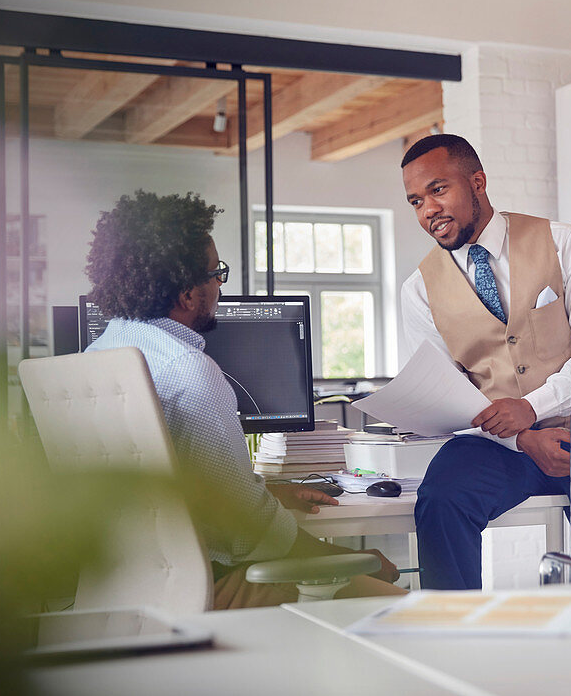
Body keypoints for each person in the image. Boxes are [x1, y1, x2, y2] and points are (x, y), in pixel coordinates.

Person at [84, 190, 402, 607]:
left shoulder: (101, 353)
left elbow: (166, 494)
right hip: (208, 587)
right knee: (392, 598)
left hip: (128, 588)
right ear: (186, 294)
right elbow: (246, 534)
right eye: (216, 274)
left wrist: (265, 495)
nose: (219, 285)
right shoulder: (189, 371)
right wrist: (345, 557)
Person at [400, 134, 571, 589]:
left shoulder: (563, 242)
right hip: (495, 444)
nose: (428, 211)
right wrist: (522, 438)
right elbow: (447, 395)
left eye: (438, 190)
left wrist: (535, 406)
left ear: (477, 182)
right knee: (441, 499)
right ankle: (453, 635)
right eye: (416, 201)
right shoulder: (418, 290)